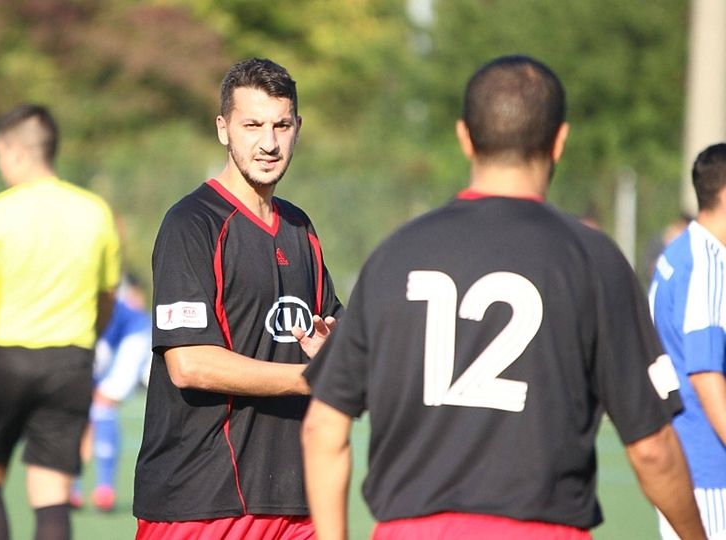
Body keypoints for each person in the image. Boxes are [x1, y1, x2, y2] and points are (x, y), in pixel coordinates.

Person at [302, 55, 706, 540]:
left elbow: (322, 429)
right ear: (559, 140)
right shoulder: (593, 259)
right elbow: (653, 448)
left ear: (464, 137)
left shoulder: (395, 254)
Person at [133, 58, 342, 539]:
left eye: (281, 125)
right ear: (224, 129)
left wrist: (338, 352)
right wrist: (309, 379)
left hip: (296, 503)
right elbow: (189, 362)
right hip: (203, 503)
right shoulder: (192, 223)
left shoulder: (299, 227)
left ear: (298, 129)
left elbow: (336, 332)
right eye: (253, 125)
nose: (269, 143)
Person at [0, 104, 120, 540]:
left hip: (5, 364)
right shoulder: (95, 212)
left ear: (17, 153)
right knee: (51, 495)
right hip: (70, 365)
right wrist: (87, 342)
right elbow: (107, 298)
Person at [650, 143, 726, 539]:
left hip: (686, 463)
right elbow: (705, 374)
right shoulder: (707, 263)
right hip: (710, 471)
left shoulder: (678, 253)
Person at [71, 273, 153, 512]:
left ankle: (104, 488)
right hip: (105, 349)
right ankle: (72, 485)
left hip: (134, 339)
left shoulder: (107, 311)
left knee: (102, 404)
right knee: (77, 408)